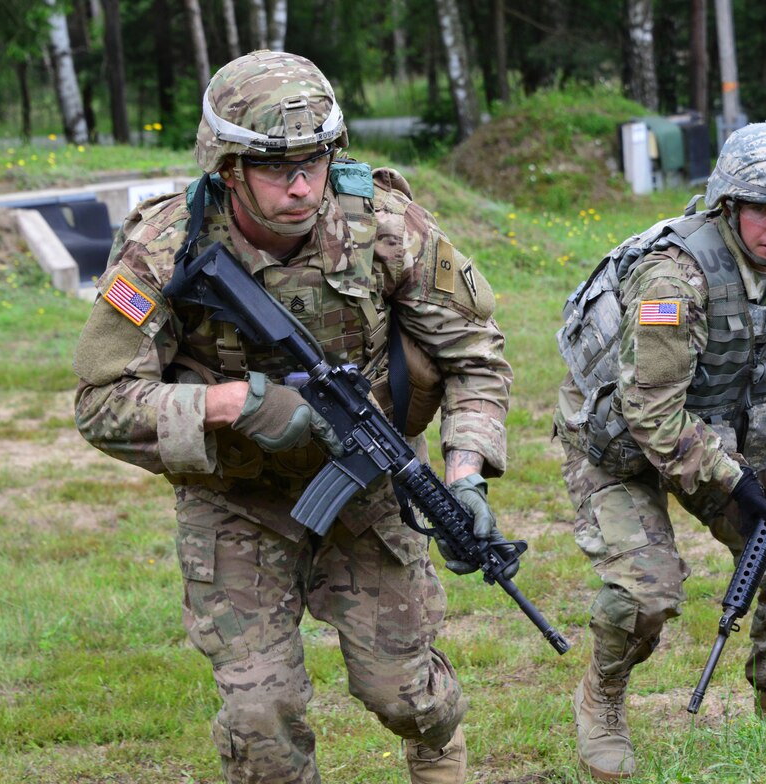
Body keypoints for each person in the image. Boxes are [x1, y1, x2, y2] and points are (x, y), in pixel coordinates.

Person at [73, 50, 514, 784]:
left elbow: (474, 352)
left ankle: (437, 756)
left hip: (370, 490)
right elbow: (101, 403)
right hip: (236, 504)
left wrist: (464, 472)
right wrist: (235, 405)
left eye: (314, 162)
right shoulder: (163, 249)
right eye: (278, 169)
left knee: (409, 697)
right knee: (261, 721)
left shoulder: (382, 223)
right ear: (228, 169)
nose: (303, 185)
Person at [553, 120, 766, 780]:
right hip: (623, 449)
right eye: (764, 209)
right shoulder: (673, 282)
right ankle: (604, 696)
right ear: (728, 206)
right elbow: (650, 416)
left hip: (728, 443)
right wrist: (734, 482)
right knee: (645, 593)